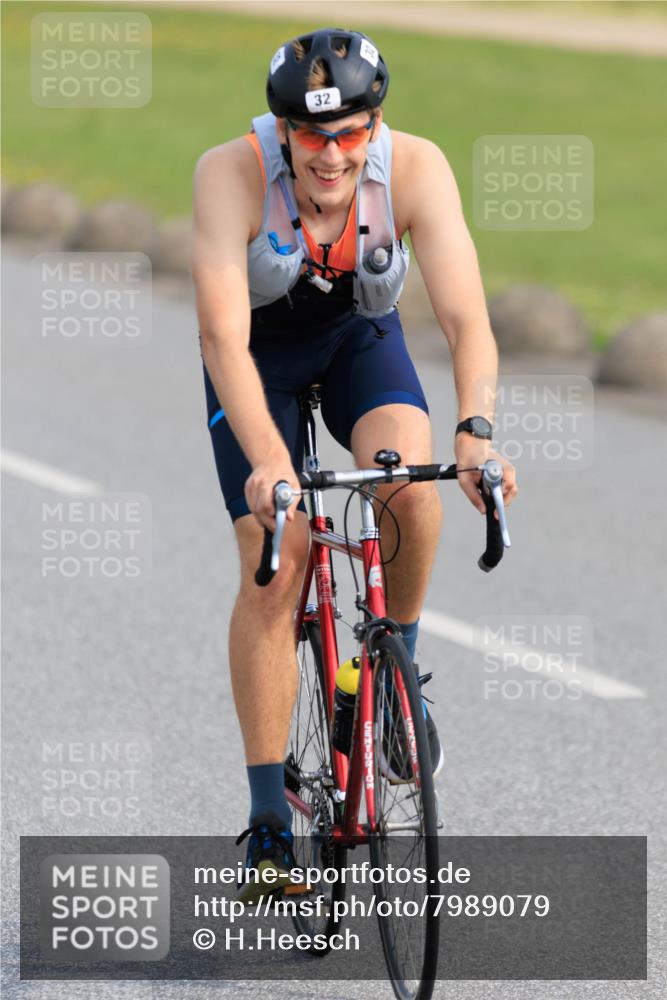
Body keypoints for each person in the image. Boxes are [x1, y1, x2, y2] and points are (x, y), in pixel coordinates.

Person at [192, 27, 518, 898]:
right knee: (278, 557)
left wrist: (475, 433)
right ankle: (268, 821)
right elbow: (221, 337)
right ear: (282, 130)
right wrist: (270, 464)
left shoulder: (415, 167)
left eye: (348, 133)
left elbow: (466, 320)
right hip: (254, 359)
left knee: (407, 485)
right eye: (310, 134)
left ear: (374, 125)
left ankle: (396, 675)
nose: (330, 154)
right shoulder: (227, 174)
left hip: (355, 341)